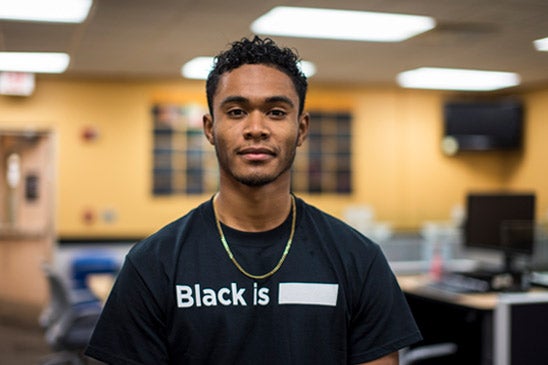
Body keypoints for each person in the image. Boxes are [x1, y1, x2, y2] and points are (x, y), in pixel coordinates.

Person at [85, 36, 422, 364]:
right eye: (236, 112)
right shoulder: (152, 265)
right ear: (209, 128)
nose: (256, 128)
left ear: (302, 128)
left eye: (276, 112)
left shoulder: (359, 260)